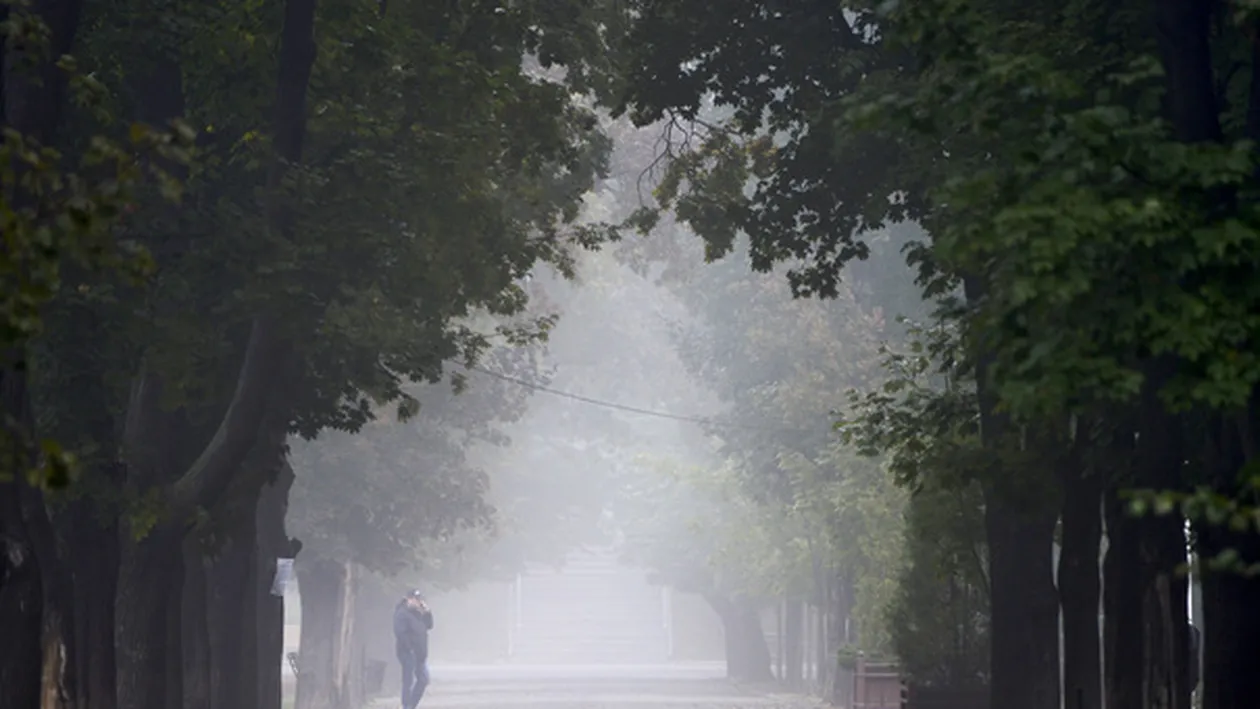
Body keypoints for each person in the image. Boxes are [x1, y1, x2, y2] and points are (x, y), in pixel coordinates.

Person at [393, 588, 434, 709]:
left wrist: (427, 612)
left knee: (423, 679)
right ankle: (406, 705)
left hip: (420, 653)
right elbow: (400, 633)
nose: (417, 602)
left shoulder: (419, 613)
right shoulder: (402, 613)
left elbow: (430, 625)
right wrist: (409, 648)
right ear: (408, 599)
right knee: (408, 680)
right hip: (408, 652)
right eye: (415, 599)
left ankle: (411, 704)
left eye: (419, 599)